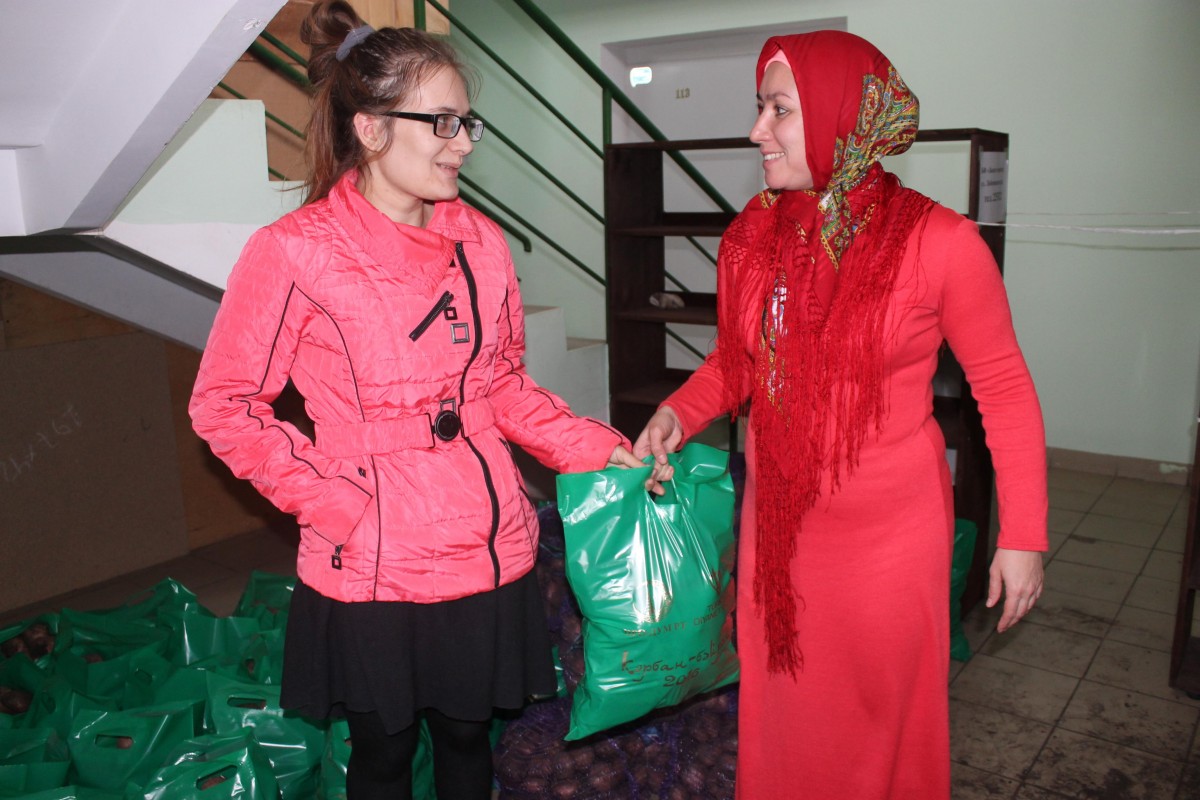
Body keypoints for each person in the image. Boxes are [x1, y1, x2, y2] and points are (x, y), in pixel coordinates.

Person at [189, 3, 641, 798]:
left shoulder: (481, 242)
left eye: (467, 123)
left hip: (486, 544)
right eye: (441, 123)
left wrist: (603, 450)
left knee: (468, 740)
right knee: (385, 753)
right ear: (369, 129)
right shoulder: (294, 253)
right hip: (373, 560)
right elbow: (225, 404)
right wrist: (335, 502)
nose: (462, 142)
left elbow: (502, 386)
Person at [634, 31, 1047, 799]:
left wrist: (1021, 535)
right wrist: (676, 414)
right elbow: (737, 361)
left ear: (841, 115)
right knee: (788, 725)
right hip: (781, 540)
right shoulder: (752, 238)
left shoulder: (940, 242)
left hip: (890, 545)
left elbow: (1003, 387)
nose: (756, 131)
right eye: (760, 108)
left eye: (779, 111)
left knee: (880, 731)